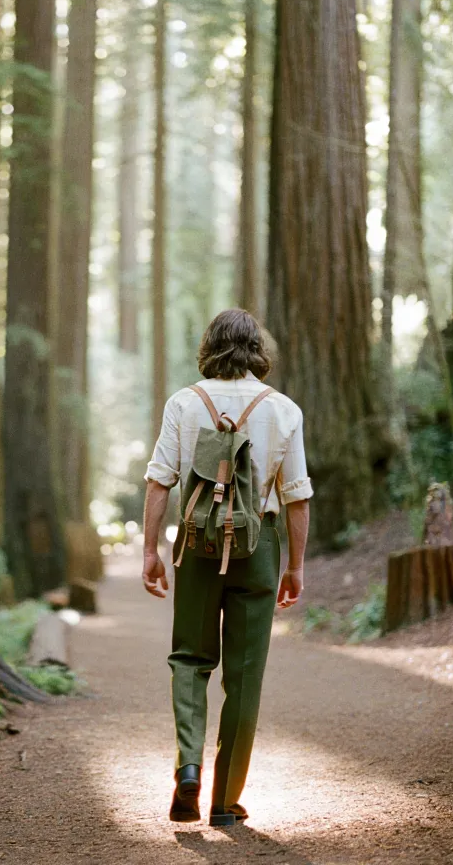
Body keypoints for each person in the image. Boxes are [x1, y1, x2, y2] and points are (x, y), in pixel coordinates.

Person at [142, 308, 312, 826]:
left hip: (198, 544)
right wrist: (295, 567)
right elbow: (298, 498)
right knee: (244, 675)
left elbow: (158, 482)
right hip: (257, 548)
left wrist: (150, 550)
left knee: (189, 660)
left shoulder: (184, 402)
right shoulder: (283, 410)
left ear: (209, 346)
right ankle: (223, 801)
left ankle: (188, 768)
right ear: (258, 350)